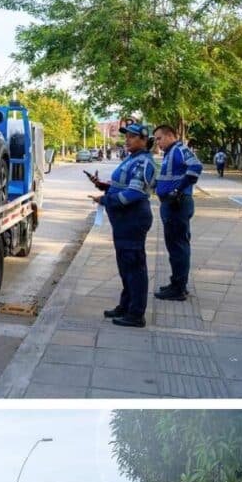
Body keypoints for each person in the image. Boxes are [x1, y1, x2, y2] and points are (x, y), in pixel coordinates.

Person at [87, 122, 157, 328]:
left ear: (144, 140)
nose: (126, 140)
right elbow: (122, 185)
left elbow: (134, 193)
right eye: (126, 136)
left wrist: (105, 200)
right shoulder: (132, 159)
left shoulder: (144, 162)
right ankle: (126, 305)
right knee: (125, 265)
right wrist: (103, 185)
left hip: (133, 218)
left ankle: (136, 314)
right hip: (124, 220)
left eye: (132, 137)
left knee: (134, 266)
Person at [151, 125, 203, 302]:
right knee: (174, 247)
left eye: (159, 138)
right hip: (171, 205)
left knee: (178, 247)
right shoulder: (169, 154)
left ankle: (179, 288)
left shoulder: (179, 149)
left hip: (177, 205)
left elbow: (195, 166)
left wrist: (177, 191)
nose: (157, 143)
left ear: (170, 135)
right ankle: (176, 283)